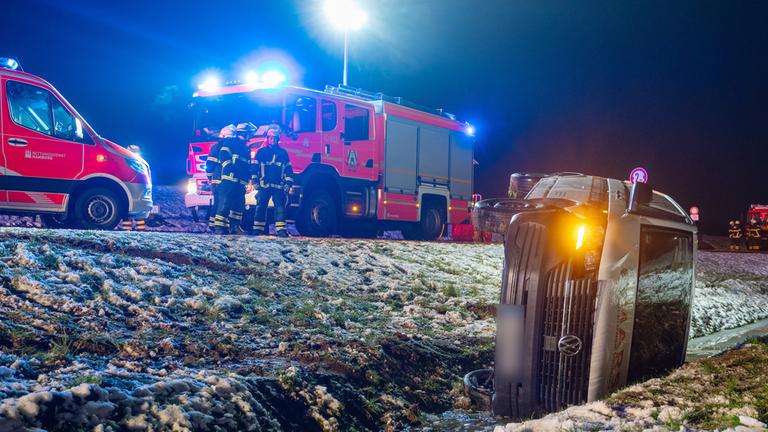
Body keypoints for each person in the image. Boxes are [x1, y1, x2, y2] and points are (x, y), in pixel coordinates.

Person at [213, 122, 256, 234]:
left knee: (238, 205)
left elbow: (246, 165)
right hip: (229, 180)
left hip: (240, 182)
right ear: (245, 133)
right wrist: (228, 167)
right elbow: (223, 154)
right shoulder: (231, 142)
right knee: (225, 203)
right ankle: (219, 228)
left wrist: (249, 177)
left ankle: (235, 227)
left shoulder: (245, 148)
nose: (250, 136)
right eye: (249, 134)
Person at [251, 126, 293, 238]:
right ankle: (257, 229)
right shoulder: (261, 152)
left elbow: (288, 170)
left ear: (278, 139)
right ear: (267, 138)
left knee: (280, 208)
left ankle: (281, 230)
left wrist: (288, 183)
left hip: (278, 186)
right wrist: (255, 181)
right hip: (263, 185)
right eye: (271, 138)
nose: (273, 140)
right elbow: (254, 168)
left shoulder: (283, 153)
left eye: (275, 138)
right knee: (260, 207)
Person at [205, 125, 234, 231]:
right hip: (220, 180)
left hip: (218, 179)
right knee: (221, 203)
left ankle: (213, 224)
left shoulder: (216, 147)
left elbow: (209, 165)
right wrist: (210, 176)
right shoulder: (221, 147)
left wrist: (209, 176)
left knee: (218, 202)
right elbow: (210, 163)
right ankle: (217, 226)